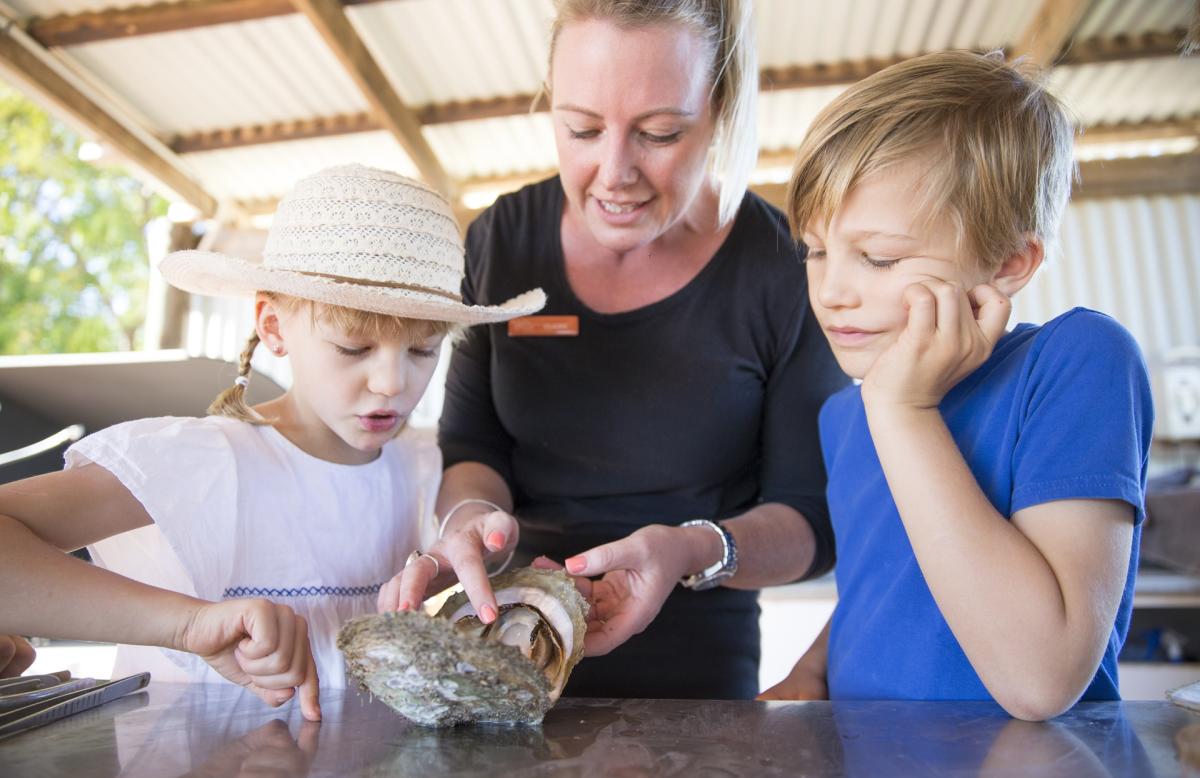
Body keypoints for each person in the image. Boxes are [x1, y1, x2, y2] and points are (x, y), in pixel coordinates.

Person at [379, 0, 848, 700]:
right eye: (582, 128)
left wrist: (692, 548)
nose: (614, 172)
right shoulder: (501, 241)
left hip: (696, 686)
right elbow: (473, 447)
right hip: (507, 654)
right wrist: (469, 521)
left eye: (660, 133)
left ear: (718, 110)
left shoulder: (778, 265)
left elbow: (809, 521)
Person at [0, 165, 545, 720]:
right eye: (354, 349)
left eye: (423, 350)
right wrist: (187, 624)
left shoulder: (427, 467)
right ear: (274, 326)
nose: (392, 383)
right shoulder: (198, 461)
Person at [758, 51, 1154, 720]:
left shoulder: (1078, 362)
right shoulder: (844, 413)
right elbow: (894, 581)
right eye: (814, 250)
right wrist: (815, 666)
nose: (830, 291)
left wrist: (905, 411)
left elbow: (1042, 677)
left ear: (1009, 262)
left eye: (879, 257)